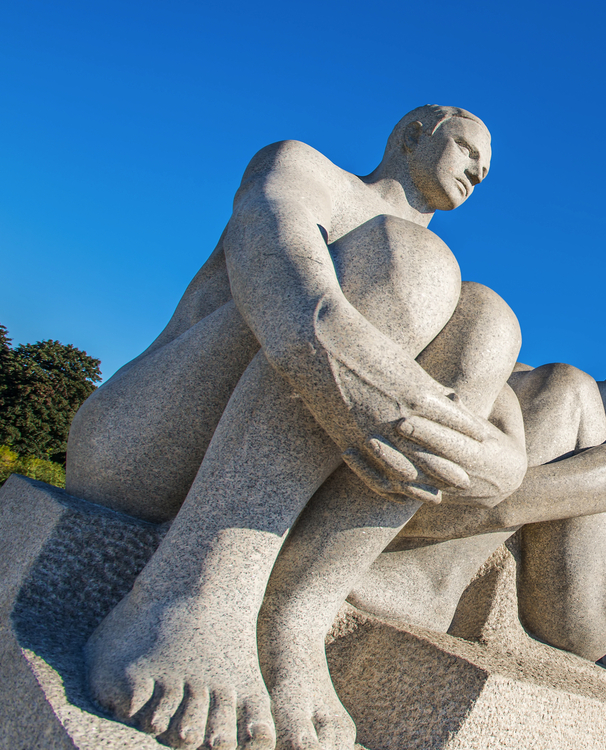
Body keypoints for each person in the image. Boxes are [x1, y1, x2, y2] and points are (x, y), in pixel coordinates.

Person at [69, 105, 527, 750]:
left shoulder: (454, 299)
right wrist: (351, 371)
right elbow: (269, 240)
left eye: (486, 169)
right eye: (468, 148)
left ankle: (292, 620)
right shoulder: (306, 169)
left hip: (287, 465)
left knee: (492, 320)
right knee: (410, 258)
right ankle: (195, 593)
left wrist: (479, 463)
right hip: (140, 448)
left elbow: (507, 455)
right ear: (414, 133)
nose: (479, 171)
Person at [257, 292, 606, 749]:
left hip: (599, 596)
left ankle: (429, 578)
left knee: (567, 385)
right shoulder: (569, 387)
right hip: (533, 557)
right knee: (519, 377)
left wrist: (474, 498)